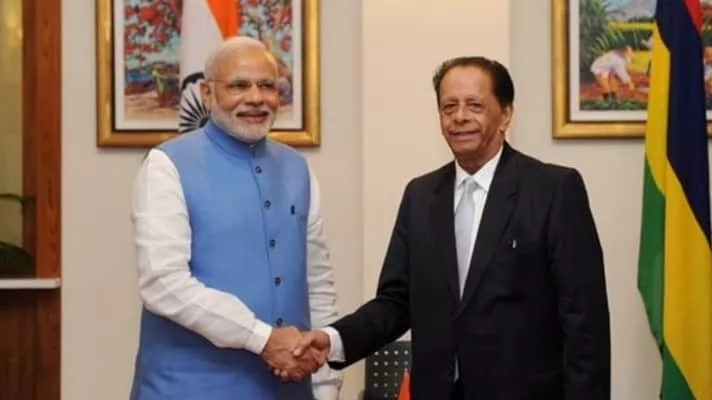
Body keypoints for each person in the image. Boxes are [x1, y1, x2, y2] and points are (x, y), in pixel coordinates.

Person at [293, 56, 611, 399]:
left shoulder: (553, 190)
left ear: (506, 114)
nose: (459, 117)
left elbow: (584, 323)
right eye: (449, 107)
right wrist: (333, 339)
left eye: (475, 105)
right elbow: (396, 302)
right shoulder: (421, 195)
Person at [129, 36, 341, 400]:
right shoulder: (166, 165)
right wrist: (262, 338)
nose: (256, 98)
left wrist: (325, 384)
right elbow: (163, 283)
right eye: (239, 86)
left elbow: (317, 282)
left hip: (289, 390)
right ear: (207, 94)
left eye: (267, 85)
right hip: (188, 389)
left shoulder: (298, 169)